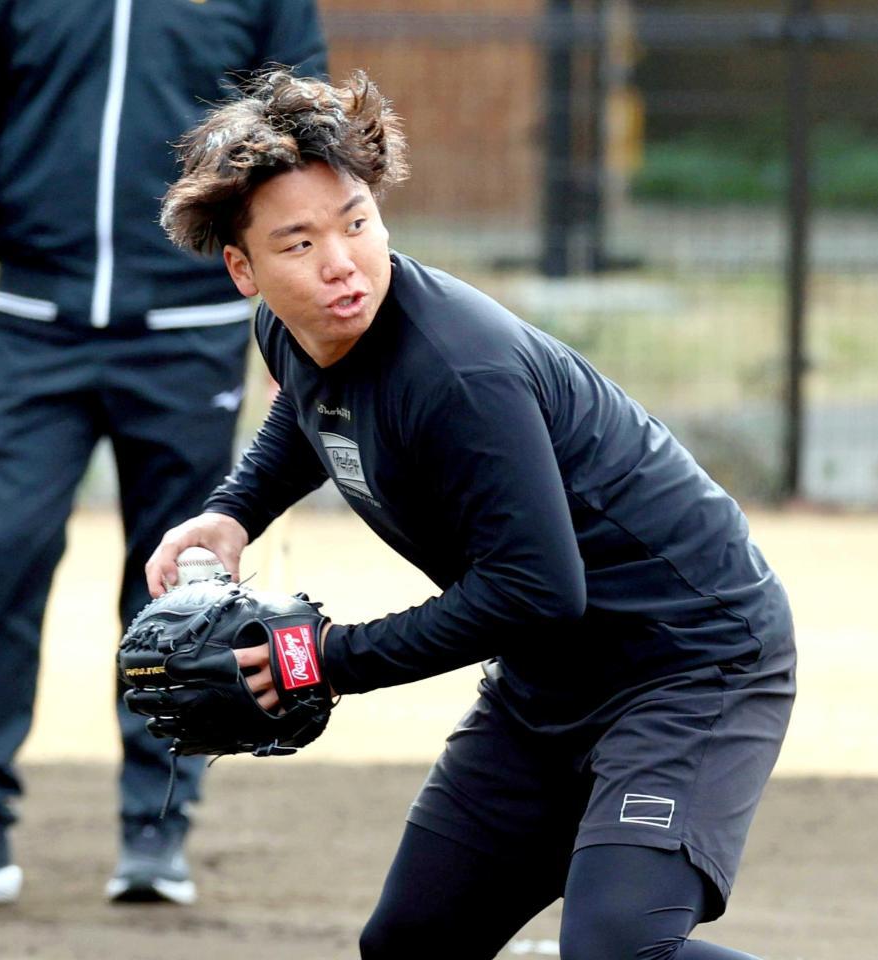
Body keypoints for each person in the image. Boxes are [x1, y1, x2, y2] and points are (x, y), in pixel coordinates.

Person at [146, 69, 796, 959]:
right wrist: (232, 513)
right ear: (243, 271)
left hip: (687, 664)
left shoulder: (458, 375)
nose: (341, 262)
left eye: (356, 223)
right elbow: (312, 408)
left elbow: (535, 589)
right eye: (298, 244)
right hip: (547, 680)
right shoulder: (295, 330)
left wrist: (332, 659)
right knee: (410, 945)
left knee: (616, 950)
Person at [0, 1, 326, 907]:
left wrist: (292, 312)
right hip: (35, 323)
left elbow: (298, 134)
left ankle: (156, 824)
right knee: (2, 549)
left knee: (179, 582)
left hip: (190, 331)